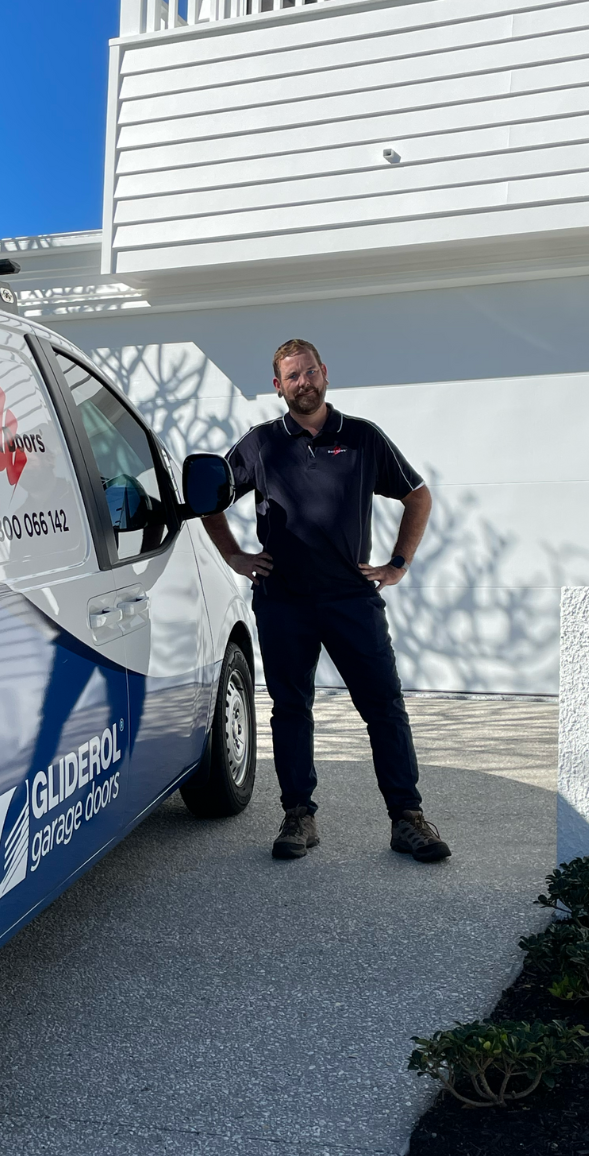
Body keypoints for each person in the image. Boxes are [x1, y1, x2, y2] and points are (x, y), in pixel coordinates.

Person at [202, 338, 450, 863]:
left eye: (309, 372)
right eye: (292, 376)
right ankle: (299, 817)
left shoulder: (361, 438)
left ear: (325, 373)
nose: (303, 382)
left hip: (350, 600)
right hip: (283, 602)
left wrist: (398, 564)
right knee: (291, 710)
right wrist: (235, 556)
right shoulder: (261, 444)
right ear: (278, 386)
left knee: (384, 708)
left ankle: (407, 819)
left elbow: (417, 495)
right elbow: (210, 498)